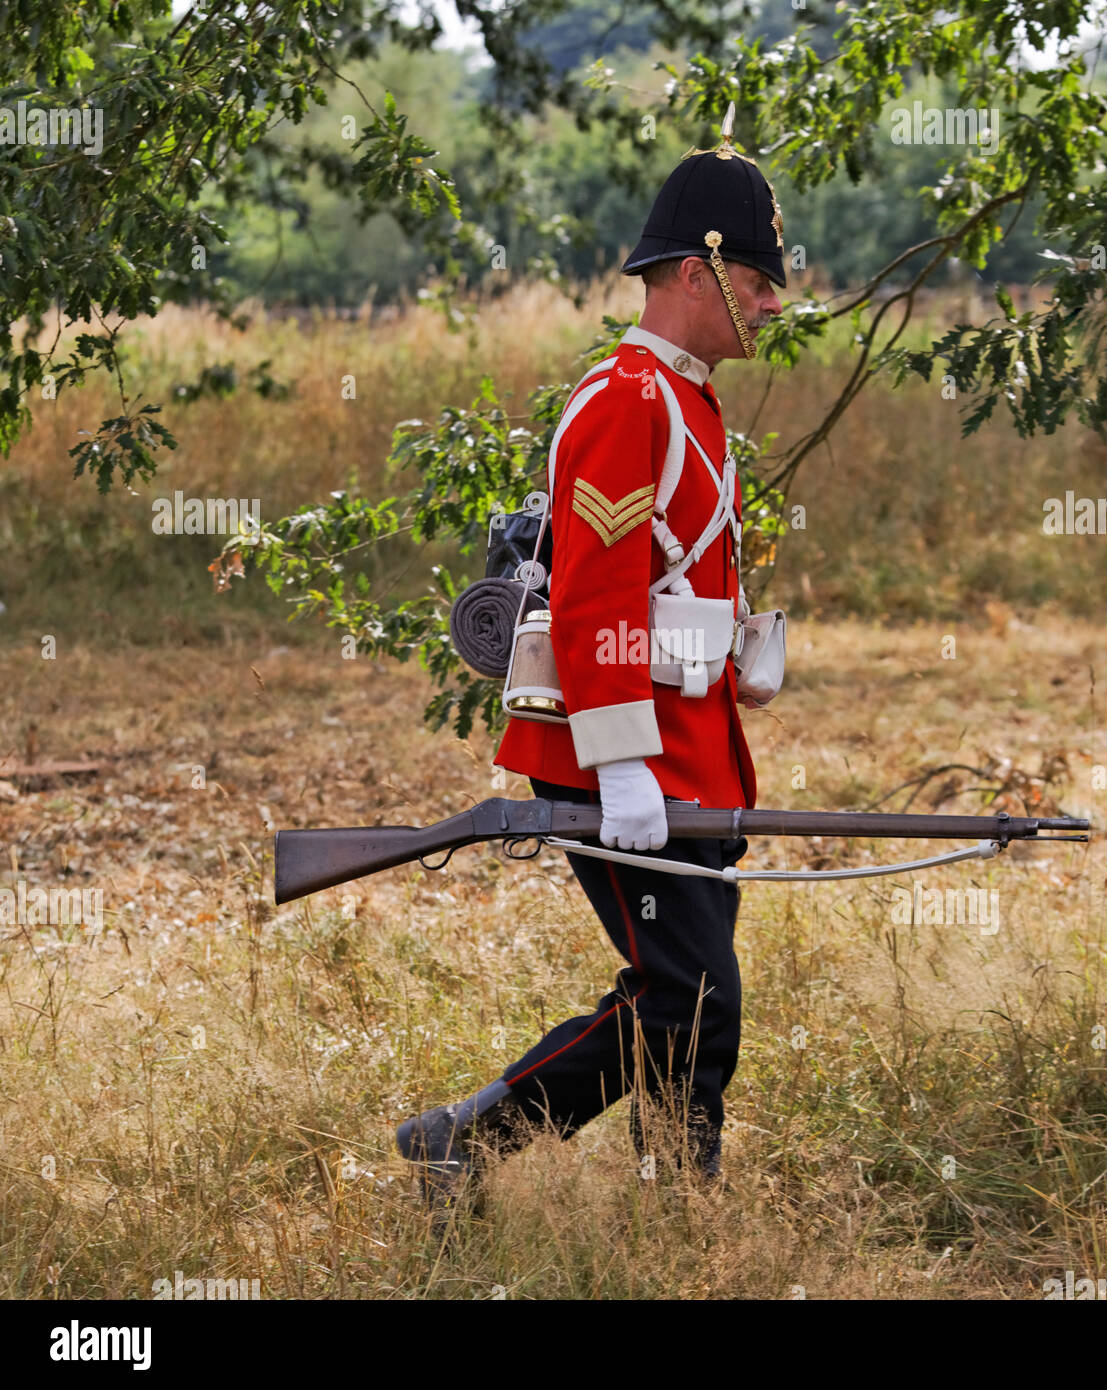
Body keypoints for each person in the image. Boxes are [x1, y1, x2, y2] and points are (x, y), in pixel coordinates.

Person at [397, 113, 786, 1210]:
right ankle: (469, 1138)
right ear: (700, 268)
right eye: (756, 277)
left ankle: (671, 1198)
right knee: (690, 993)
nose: (770, 301)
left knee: (687, 996)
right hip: (620, 752)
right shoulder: (627, 400)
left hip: (683, 750)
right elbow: (601, 597)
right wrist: (619, 761)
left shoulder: (687, 405)